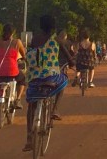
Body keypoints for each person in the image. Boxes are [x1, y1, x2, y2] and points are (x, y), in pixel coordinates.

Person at [23, 14, 73, 153]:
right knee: (64, 80)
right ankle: (55, 109)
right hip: (52, 77)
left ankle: (29, 138)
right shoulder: (57, 40)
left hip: (35, 78)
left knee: (31, 106)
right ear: (53, 26)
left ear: (41, 25)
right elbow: (69, 57)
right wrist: (72, 63)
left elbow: (30, 55)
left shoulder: (35, 39)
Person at [0, 23, 25, 109]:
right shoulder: (17, 42)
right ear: (13, 32)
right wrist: (24, 59)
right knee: (22, 79)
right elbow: (23, 55)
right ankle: (18, 99)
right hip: (12, 71)